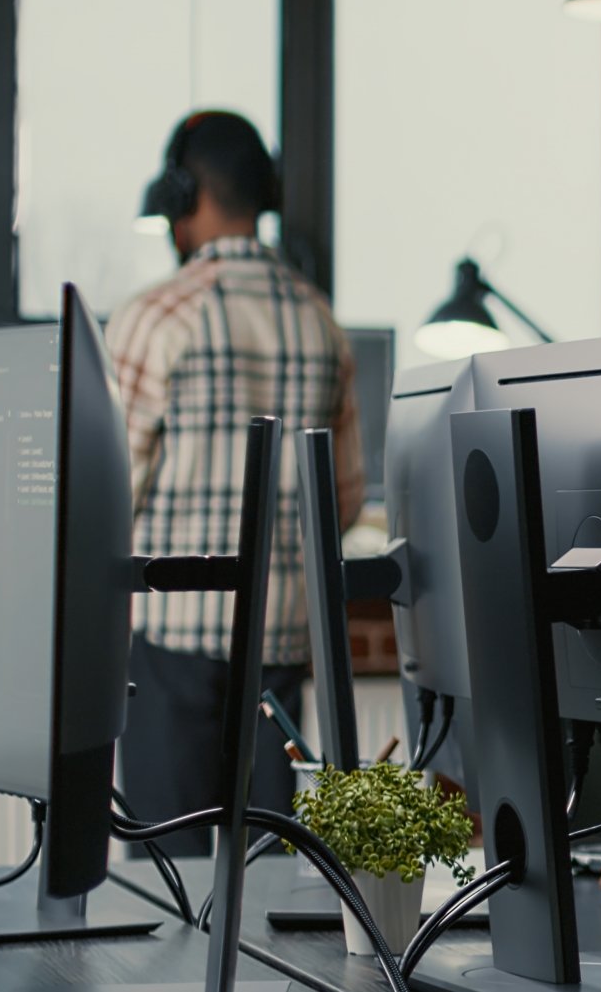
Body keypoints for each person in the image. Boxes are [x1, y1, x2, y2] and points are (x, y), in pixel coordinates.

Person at [108, 110, 364, 852]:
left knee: (170, 887)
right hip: (278, 652)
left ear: (183, 198)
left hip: (171, 649)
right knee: (270, 890)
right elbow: (341, 501)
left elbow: (106, 498)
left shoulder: (155, 317)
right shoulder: (322, 322)